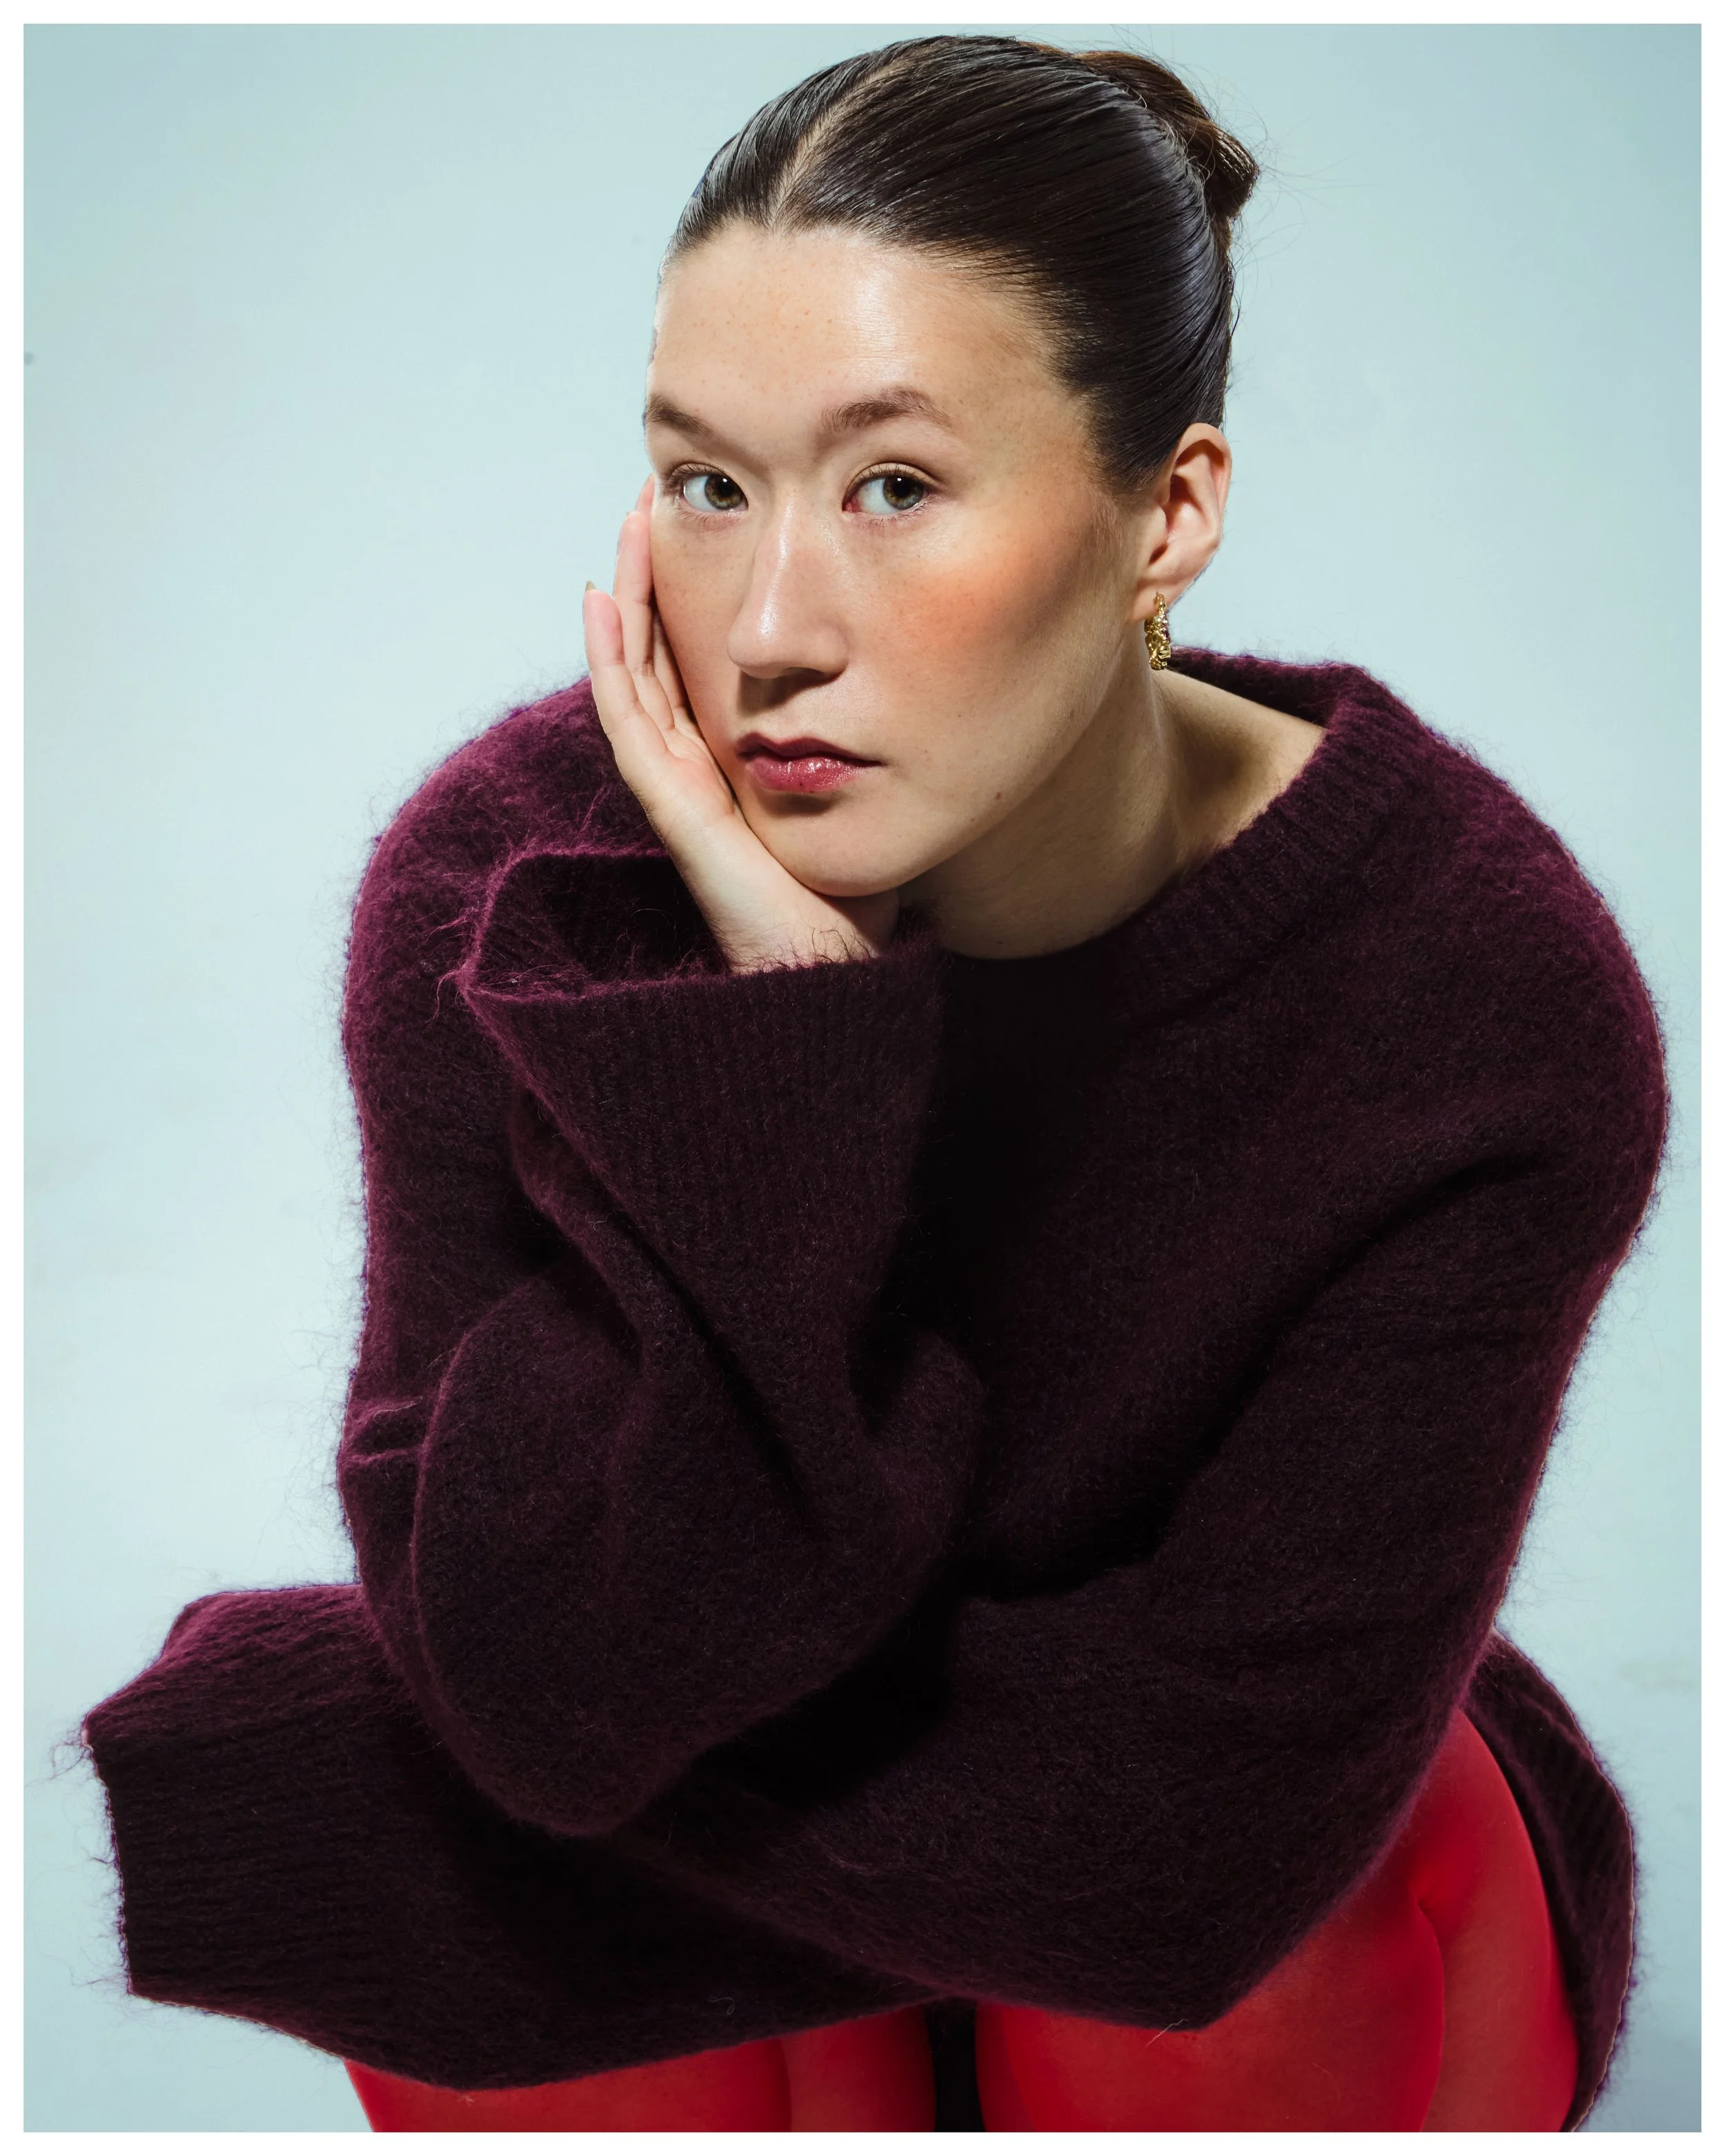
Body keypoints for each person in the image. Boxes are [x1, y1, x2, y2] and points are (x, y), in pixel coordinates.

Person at [81, 33, 1666, 2132]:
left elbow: (1184, 1868)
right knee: (542, 1821)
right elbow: (557, 1675)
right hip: (868, 1839)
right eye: (705, 483)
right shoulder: (507, 886)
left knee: (1197, 1942)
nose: (764, 626)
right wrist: (756, 1049)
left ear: (1164, 512)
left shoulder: (1470, 1002)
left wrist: (382, 1759)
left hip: (1302, 1920)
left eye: (894, 486)